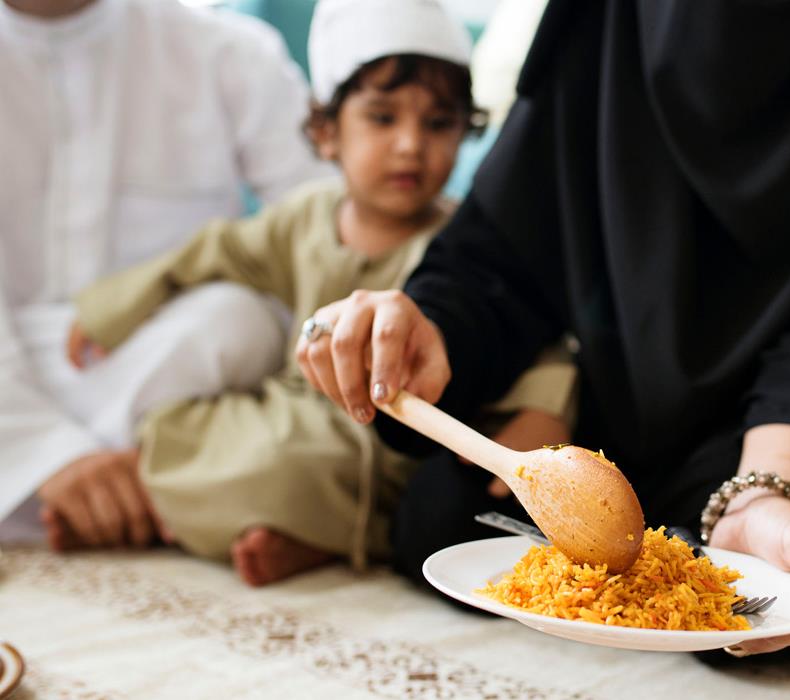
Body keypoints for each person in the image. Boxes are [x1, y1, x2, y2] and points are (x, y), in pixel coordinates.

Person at [299, 0, 790, 664]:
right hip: (652, 365)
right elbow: (505, 249)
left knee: (763, 608)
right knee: (439, 527)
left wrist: (766, 489)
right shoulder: (605, 17)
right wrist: (424, 323)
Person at [64, 0, 576, 587]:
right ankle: (231, 518)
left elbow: (535, 333)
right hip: (288, 408)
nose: (411, 145)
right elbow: (215, 249)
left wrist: (541, 412)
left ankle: (285, 531)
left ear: (467, 131)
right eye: (383, 119)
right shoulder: (305, 218)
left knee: (298, 471)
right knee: (174, 427)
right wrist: (112, 307)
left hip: (374, 444)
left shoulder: (462, 245)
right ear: (328, 133)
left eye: (438, 125)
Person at [0, 0, 332, 545]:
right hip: (16, 393)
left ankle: (151, 484)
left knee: (236, 322)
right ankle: (178, 488)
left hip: (170, 392)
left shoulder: (229, 54)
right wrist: (46, 452)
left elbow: (340, 241)